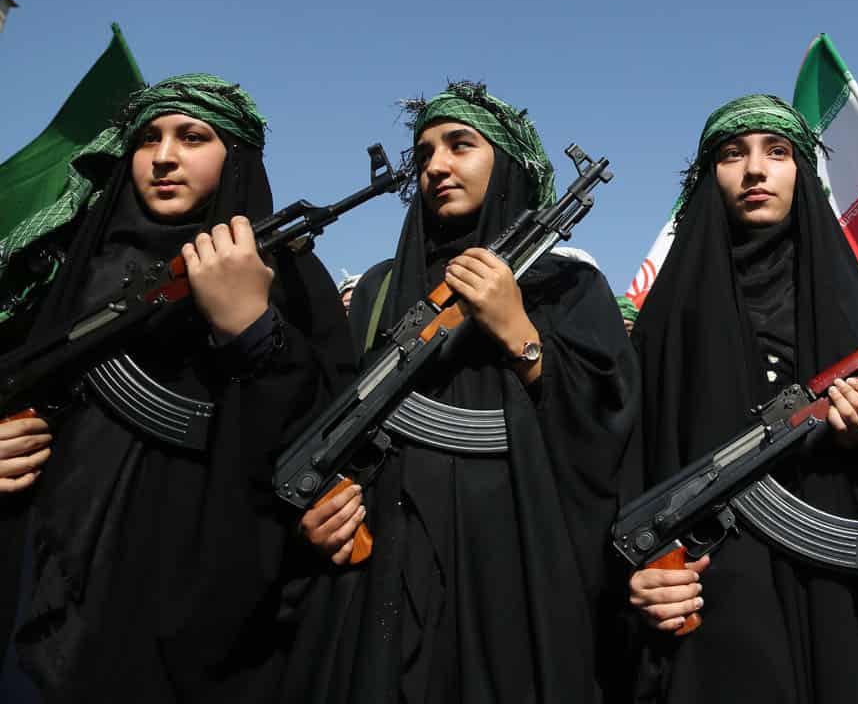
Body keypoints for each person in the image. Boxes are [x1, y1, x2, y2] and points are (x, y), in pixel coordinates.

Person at [284, 80, 639, 703]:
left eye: (460, 146)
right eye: (424, 154)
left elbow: (611, 434)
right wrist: (321, 515)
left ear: (505, 165)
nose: (436, 166)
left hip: (514, 575)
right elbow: (323, 419)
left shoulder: (570, 290)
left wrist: (520, 332)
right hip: (381, 579)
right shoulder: (377, 293)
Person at [0, 74, 351, 702]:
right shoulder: (73, 262)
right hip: (36, 580)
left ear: (236, 157)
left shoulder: (291, 279)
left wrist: (255, 331)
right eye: (148, 139)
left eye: (193, 137)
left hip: (186, 614)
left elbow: (325, 441)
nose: (164, 157)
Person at [625, 94, 858, 703]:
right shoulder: (663, 322)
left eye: (778, 152)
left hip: (844, 607)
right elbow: (627, 469)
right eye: (731, 155)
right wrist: (638, 578)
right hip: (714, 609)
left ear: (804, 174)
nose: (755, 171)